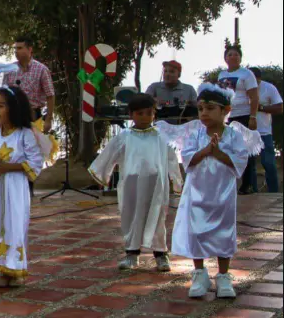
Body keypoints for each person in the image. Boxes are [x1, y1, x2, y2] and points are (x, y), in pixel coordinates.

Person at [168, 84, 261, 298]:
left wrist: (218, 153)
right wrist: (207, 150)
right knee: (197, 231)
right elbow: (188, 160)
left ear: (226, 110)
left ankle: (223, 277)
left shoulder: (234, 136)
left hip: (223, 194)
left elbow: (239, 162)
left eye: (210, 108)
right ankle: (199, 274)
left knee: (224, 232)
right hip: (197, 193)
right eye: (200, 109)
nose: (204, 113)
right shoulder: (195, 134)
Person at [89, 94, 183, 273]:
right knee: (131, 217)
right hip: (131, 187)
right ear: (131, 114)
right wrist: (102, 174)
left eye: (149, 113)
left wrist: (176, 181)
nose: (145, 117)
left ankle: (161, 254)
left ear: (154, 114)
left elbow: (171, 159)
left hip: (157, 187)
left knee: (157, 218)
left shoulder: (161, 136)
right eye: (140, 113)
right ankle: (132, 254)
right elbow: (109, 155)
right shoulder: (124, 136)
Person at [0, 87, 43, 288]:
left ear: (14, 108)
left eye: (1, 105)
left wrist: (10, 167)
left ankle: (14, 270)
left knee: (14, 226)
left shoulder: (25, 134)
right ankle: (1, 267)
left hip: (16, 188)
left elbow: (35, 162)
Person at [217, 44, 259, 194]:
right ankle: (228, 184)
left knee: (244, 149)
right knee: (227, 148)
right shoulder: (221, 75)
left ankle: (247, 184)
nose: (233, 57)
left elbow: (254, 97)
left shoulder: (247, 74)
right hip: (227, 116)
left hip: (244, 115)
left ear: (240, 58)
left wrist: (252, 116)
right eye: (230, 54)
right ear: (225, 58)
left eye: (236, 54)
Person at [2, 36, 55, 133]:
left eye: (20, 48)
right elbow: (3, 96)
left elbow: (50, 96)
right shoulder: (9, 70)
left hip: (34, 117)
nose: (16, 51)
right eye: (15, 49)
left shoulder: (41, 70)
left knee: (32, 146)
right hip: (13, 116)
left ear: (30, 49)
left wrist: (48, 119)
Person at [250, 67, 282, 193]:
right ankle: (251, 191)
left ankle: (273, 192)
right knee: (249, 164)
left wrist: (260, 107)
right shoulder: (242, 89)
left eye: (254, 80)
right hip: (247, 133)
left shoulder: (269, 88)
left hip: (264, 132)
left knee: (268, 163)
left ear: (259, 78)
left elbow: (279, 108)